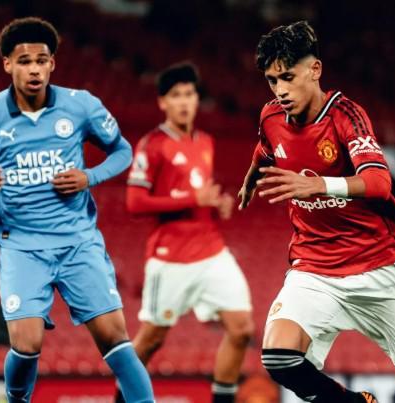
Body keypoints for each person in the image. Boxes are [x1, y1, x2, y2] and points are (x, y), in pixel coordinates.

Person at [238, 21, 395, 403]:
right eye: (272, 81)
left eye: (287, 77)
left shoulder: (345, 115)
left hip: (377, 265)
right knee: (278, 356)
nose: (280, 90)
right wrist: (249, 180)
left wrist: (319, 185)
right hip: (315, 267)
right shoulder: (271, 116)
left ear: (315, 69)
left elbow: (379, 182)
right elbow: (265, 150)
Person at [0, 17, 154, 403]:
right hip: (21, 247)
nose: (34, 69)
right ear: (7, 64)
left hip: (77, 241)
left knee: (115, 336)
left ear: (52, 63)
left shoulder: (80, 106)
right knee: (26, 343)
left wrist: (89, 176)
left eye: (41, 60)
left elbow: (122, 150)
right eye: (24, 61)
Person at [119, 63, 255, 403]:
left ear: (197, 99)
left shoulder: (205, 142)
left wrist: (216, 206)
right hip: (171, 258)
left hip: (212, 252)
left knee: (241, 329)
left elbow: (198, 194)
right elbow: (134, 203)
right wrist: (193, 199)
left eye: (189, 94)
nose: (184, 102)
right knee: (151, 339)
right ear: (162, 102)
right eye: (176, 95)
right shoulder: (152, 145)